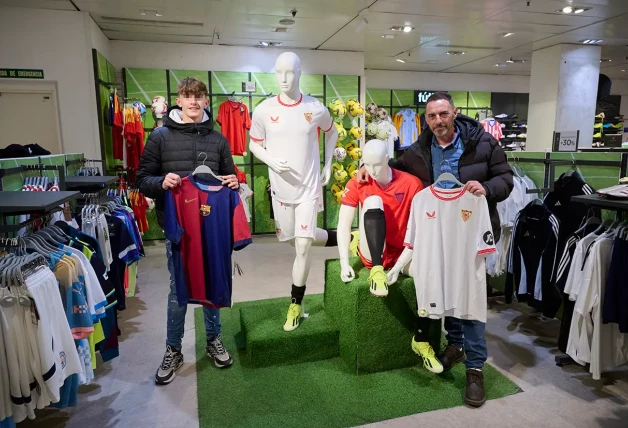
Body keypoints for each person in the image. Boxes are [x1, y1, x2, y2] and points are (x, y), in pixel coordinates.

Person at [358, 92, 513, 407]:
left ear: (454, 113)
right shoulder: (418, 149)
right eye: (432, 116)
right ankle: (454, 345)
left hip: (470, 230)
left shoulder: (483, 143)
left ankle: (475, 369)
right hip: (437, 232)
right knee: (445, 293)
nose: (438, 121)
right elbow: (395, 166)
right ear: (425, 119)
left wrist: (488, 189)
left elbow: (506, 179)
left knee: (469, 297)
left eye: (443, 114)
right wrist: (365, 167)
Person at [137, 77, 240, 386]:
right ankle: (173, 349)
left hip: (212, 227)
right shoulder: (160, 137)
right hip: (178, 228)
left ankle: (213, 340)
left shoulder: (218, 139)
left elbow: (230, 175)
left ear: (206, 101)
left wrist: (234, 181)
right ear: (178, 100)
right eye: (187, 95)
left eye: (199, 96)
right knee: (178, 288)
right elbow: (142, 178)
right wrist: (160, 183)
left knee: (212, 282)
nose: (194, 101)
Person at [337, 139, 443, 374]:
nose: (372, 171)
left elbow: (418, 232)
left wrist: (399, 267)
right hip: (372, 251)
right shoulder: (359, 183)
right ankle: (376, 270)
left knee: (431, 273)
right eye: (368, 164)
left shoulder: (412, 184)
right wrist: (344, 262)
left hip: (402, 252)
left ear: (388, 159)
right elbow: (343, 225)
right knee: (373, 200)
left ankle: (421, 339)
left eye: (377, 164)